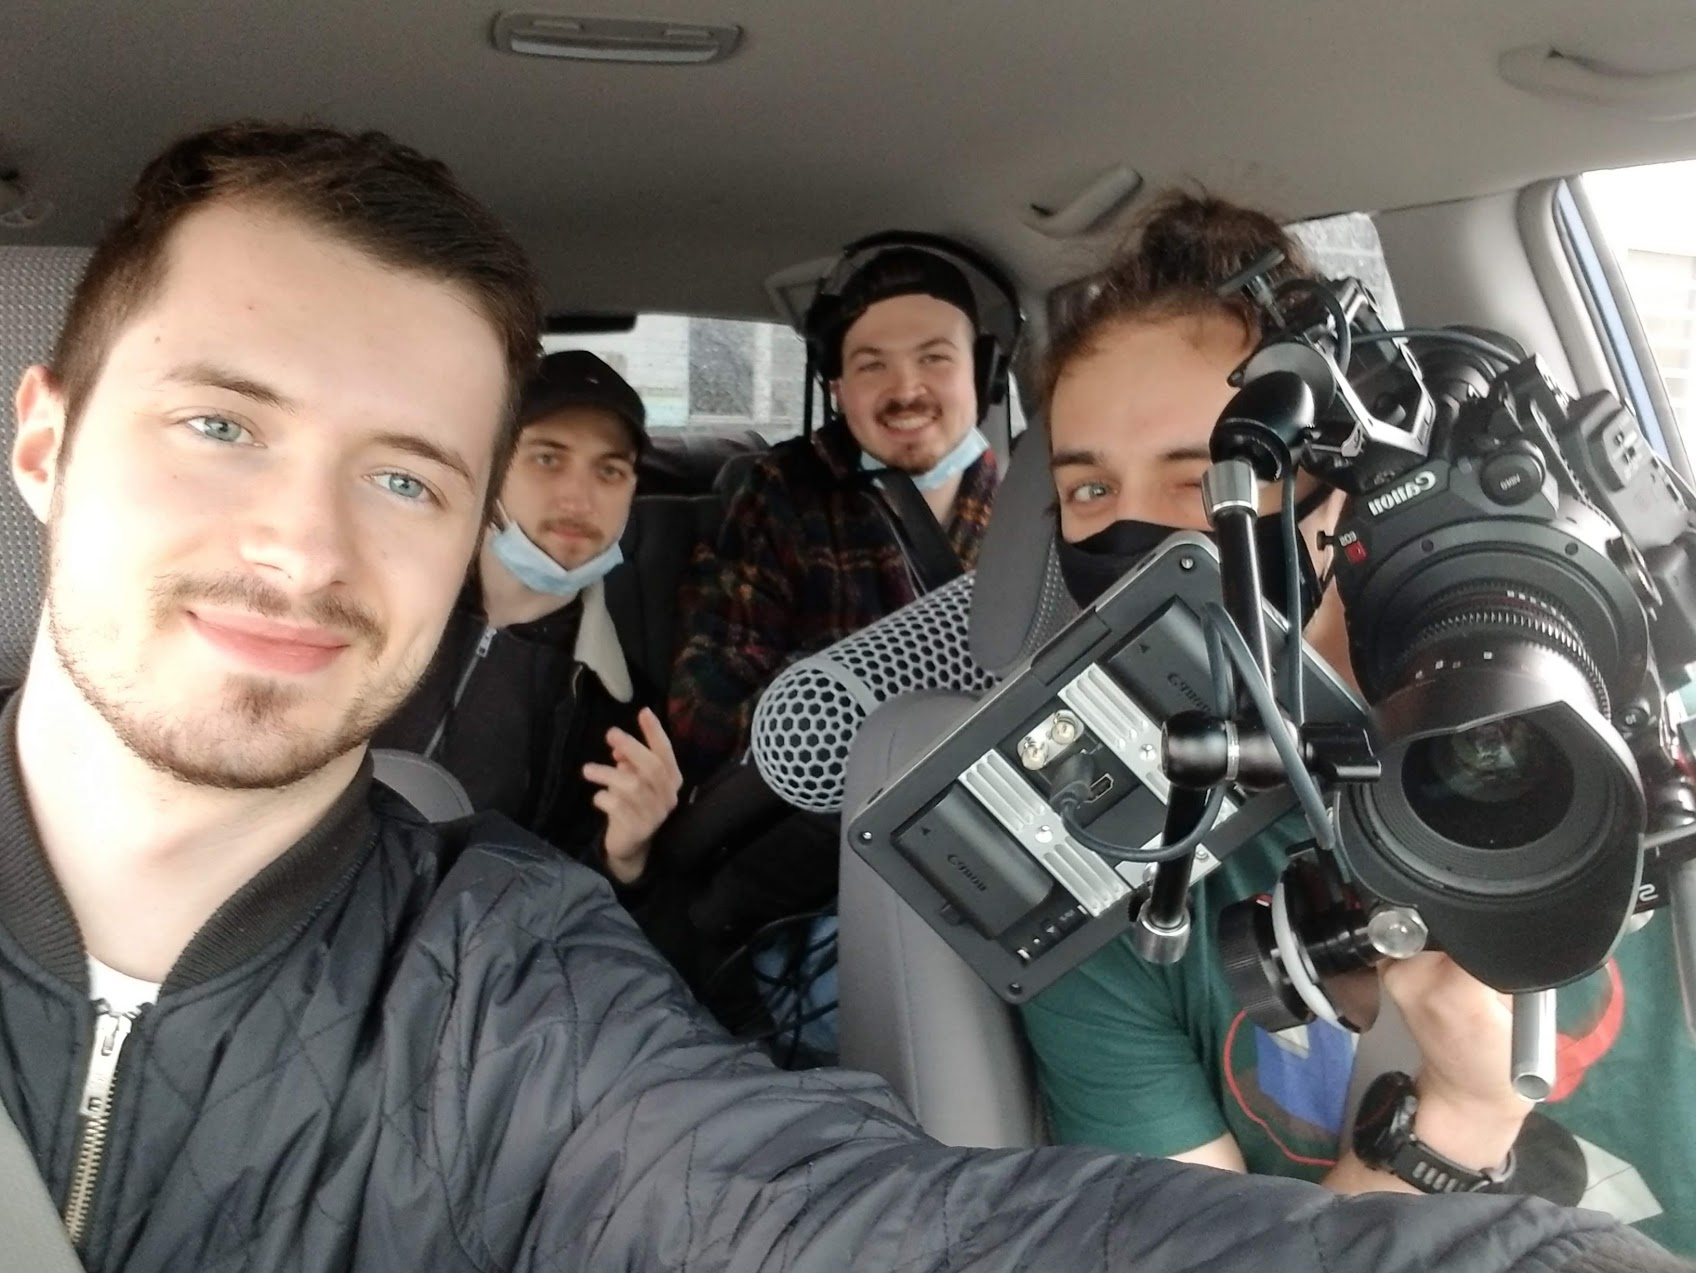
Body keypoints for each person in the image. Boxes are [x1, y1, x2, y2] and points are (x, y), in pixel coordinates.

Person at [0, 122, 1671, 1273]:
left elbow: (869, 1221)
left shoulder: (514, 991)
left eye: (405, 476)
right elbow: (728, 701)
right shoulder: (776, 516)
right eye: (220, 425)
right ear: (43, 442)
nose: (299, 545)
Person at [1020, 189, 1696, 1255]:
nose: (1142, 536)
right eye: (1091, 492)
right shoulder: (1110, 893)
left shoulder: (1663, 755)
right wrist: (1451, 1123)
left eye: (1209, 480)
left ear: (1348, 493)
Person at [668, 243, 999, 786]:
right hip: (839, 809)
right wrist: (854, 681)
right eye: (872, 365)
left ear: (981, 372)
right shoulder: (784, 492)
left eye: (934, 358)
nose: (905, 389)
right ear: (838, 389)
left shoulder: (1038, 502)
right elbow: (702, 714)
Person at [376, 349, 681, 892]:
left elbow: (575, 909)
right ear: (490, 466)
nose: (579, 499)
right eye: (547, 458)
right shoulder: (378, 599)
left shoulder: (621, 714)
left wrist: (626, 858)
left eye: (609, 471)